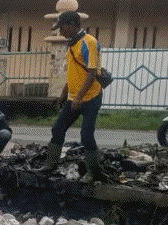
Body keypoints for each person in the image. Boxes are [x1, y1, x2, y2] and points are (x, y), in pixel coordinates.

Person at [40, 10, 104, 183]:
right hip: (74, 98)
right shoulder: (72, 45)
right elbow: (73, 74)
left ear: (72, 25)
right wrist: (63, 95)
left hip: (91, 97)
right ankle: (51, 163)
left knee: (86, 135)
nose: (61, 32)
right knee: (58, 129)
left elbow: (91, 73)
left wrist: (78, 98)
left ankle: (93, 172)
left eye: (62, 28)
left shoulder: (88, 42)